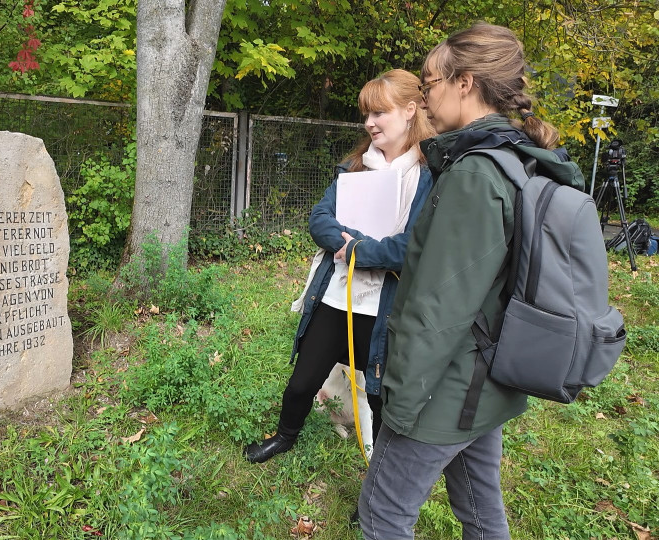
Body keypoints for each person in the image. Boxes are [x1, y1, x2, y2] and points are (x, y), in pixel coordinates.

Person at [357, 23, 585, 539]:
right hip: (489, 378)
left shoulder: (476, 174)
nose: (426, 97)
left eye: (430, 83)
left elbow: (438, 307)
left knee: (383, 517)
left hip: (446, 385)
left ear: (465, 83)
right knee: (480, 510)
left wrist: (399, 401)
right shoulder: (520, 160)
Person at [243, 69, 436, 464]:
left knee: (382, 401)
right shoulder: (355, 166)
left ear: (411, 110)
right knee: (301, 383)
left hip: (387, 310)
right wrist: (349, 244)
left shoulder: (430, 175)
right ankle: (285, 436)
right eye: (366, 113)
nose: (369, 122)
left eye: (379, 112)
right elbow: (320, 218)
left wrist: (357, 251)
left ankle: (379, 484)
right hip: (336, 297)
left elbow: (415, 246)